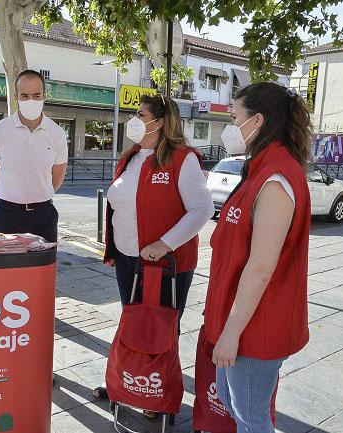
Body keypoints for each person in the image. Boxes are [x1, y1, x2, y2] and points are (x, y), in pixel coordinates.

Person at [95, 94, 214, 414]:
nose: (133, 119)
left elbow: (203, 209)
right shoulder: (131, 155)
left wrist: (165, 243)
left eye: (140, 113)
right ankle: (128, 379)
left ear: (159, 121)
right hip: (127, 258)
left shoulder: (181, 158)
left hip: (164, 264)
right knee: (133, 323)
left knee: (159, 328)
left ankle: (154, 392)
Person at [204, 82, 312, 433]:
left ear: (258, 120)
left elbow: (262, 266)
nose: (231, 126)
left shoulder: (277, 178)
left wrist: (231, 333)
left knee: (251, 418)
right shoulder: (260, 168)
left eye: (235, 117)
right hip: (238, 315)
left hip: (256, 325)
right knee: (230, 397)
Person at [0, 70, 68, 242]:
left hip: (44, 215)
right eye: (25, 95)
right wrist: (9, 203)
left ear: (45, 96)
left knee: (44, 268)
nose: (31, 101)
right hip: (7, 215)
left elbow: (57, 178)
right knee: (6, 267)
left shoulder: (57, 133)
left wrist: (37, 197)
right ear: (16, 97)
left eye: (36, 95)